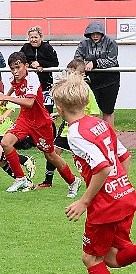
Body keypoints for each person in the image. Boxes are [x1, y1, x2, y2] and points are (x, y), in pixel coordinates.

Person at [51, 73, 136, 274]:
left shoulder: (76, 133)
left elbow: (101, 168)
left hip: (106, 204)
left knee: (90, 258)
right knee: (112, 256)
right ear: (87, 101)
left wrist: (84, 201)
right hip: (125, 195)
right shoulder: (100, 124)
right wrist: (119, 188)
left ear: (60, 107)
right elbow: (125, 157)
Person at [0, 51, 82, 196]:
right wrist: (6, 96)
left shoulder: (32, 77)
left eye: (18, 67)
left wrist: (6, 98)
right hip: (24, 119)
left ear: (26, 66)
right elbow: (15, 86)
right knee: (6, 143)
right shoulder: (15, 77)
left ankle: (72, 181)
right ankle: (21, 179)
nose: (15, 72)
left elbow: (29, 102)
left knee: (50, 156)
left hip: (41, 123)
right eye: (12, 68)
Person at [36, 58, 100, 189]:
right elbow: (69, 109)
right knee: (51, 153)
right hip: (66, 130)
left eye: (73, 74)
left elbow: (94, 112)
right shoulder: (68, 91)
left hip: (81, 132)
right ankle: (48, 181)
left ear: (81, 75)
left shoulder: (86, 91)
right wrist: (58, 114)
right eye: (68, 73)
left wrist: (84, 123)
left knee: (86, 158)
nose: (70, 76)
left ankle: (94, 182)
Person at [75, 20, 120, 127]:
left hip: (109, 80)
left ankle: (109, 136)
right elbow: (77, 58)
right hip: (91, 80)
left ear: (102, 34)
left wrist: (95, 63)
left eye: (97, 34)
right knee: (90, 109)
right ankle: (92, 135)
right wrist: (85, 64)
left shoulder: (110, 42)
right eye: (93, 34)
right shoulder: (84, 44)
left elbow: (112, 60)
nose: (95, 36)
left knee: (108, 110)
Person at [20, 26, 58, 114]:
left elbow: (55, 63)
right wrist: (31, 64)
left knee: (47, 113)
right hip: (30, 86)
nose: (33, 40)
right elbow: (20, 60)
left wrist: (41, 63)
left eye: (36, 37)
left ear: (40, 37)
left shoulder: (47, 47)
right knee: (31, 112)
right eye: (31, 37)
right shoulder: (25, 48)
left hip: (46, 86)